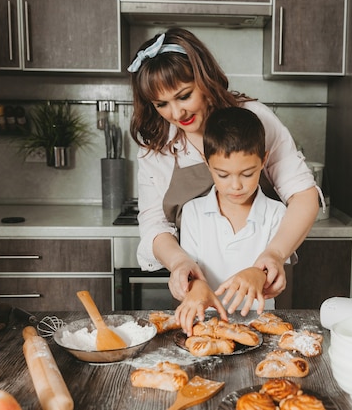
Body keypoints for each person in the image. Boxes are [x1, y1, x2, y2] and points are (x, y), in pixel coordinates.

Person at [128, 27, 320, 312]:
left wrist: (275, 255)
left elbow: (304, 195)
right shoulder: (157, 147)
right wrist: (180, 263)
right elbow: (155, 224)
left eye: (184, 96)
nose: (177, 113)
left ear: (203, 80)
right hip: (198, 289)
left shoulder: (255, 119)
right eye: (161, 104)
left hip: (261, 286)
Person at [175, 107, 287, 334]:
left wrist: (259, 274)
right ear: (207, 163)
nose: (236, 186)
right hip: (205, 326)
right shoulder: (193, 213)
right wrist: (196, 287)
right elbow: (191, 271)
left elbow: (274, 271)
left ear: (264, 160)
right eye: (223, 175)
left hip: (258, 328)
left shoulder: (277, 213)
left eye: (247, 174)